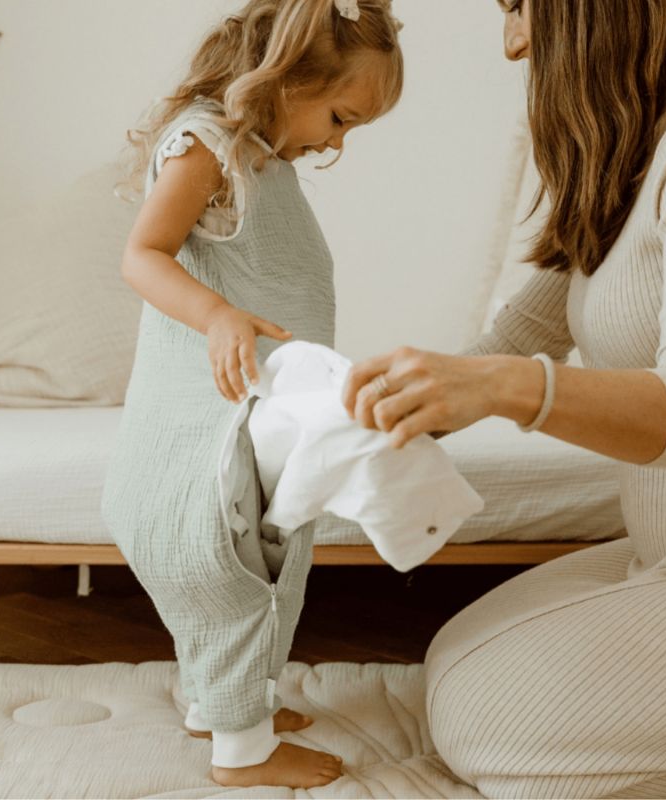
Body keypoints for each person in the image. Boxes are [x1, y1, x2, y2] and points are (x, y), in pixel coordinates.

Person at [342, 0, 666, 796]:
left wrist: (503, 390)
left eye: (518, 8)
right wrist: (360, 411)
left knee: (483, 718)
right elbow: (516, 335)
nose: (511, 44)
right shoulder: (630, 150)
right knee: (452, 662)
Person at [101, 0, 402, 789]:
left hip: (268, 422)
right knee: (231, 572)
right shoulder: (209, 145)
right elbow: (143, 255)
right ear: (290, 75)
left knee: (277, 564)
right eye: (340, 116)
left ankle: (226, 704)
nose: (337, 142)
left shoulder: (264, 160)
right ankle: (244, 752)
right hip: (214, 427)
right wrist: (217, 316)